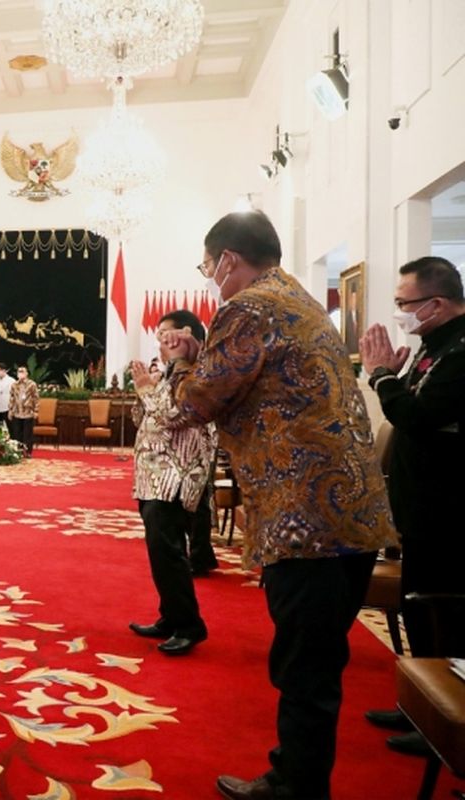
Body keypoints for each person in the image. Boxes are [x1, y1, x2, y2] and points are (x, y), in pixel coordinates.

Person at [158, 211, 395, 800]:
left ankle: (297, 784)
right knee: (319, 657)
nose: (211, 279)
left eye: (208, 267)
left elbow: (197, 402)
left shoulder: (246, 307)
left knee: (303, 666)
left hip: (303, 515)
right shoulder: (300, 297)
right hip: (350, 511)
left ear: (228, 261)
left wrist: (185, 359)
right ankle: (302, 774)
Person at [359, 255, 465, 754]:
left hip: (448, 511)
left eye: (405, 304)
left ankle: (439, 719)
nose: (399, 312)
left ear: (437, 304)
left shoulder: (461, 353)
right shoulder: (433, 348)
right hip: (420, 505)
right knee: (416, 604)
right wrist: (393, 379)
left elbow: (418, 415)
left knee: (440, 612)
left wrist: (381, 377)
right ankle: (417, 703)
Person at [127, 309, 216, 656]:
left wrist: (149, 392)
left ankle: (189, 625)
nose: (162, 342)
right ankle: (170, 616)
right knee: (161, 553)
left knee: (171, 554)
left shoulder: (197, 374)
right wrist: (144, 391)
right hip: (154, 476)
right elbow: (146, 418)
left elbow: (174, 417)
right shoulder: (171, 373)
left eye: (168, 335)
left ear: (187, 335)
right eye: (160, 335)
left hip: (174, 479)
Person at [8, 365, 38, 454]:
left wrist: (36, 410)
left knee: (27, 434)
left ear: (26, 373)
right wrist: (10, 410)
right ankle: (18, 452)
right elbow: (11, 398)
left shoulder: (32, 384)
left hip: (28, 412)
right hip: (17, 412)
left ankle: (28, 452)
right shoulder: (14, 385)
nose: (20, 373)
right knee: (17, 434)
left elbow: (36, 398)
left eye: (22, 372)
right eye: (19, 372)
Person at [0, 362, 15, 429]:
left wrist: (12, 409)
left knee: (10, 428)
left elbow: (14, 396)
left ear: (4, 370)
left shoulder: (11, 381)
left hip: (7, 409)